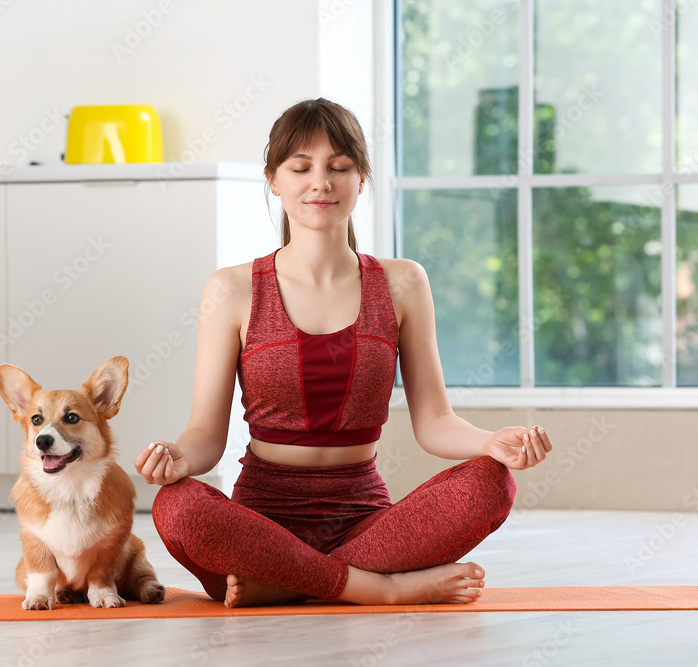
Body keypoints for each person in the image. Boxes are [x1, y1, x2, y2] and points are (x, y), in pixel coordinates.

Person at [134, 98, 553, 608]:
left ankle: (291, 584)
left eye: (340, 167)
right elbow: (205, 436)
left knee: (491, 484)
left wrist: (493, 442)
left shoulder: (403, 283)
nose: (321, 182)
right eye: (301, 167)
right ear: (273, 179)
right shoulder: (231, 288)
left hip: (366, 522)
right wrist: (178, 459)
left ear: (361, 179)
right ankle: (382, 588)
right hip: (263, 524)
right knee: (177, 507)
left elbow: (435, 421)